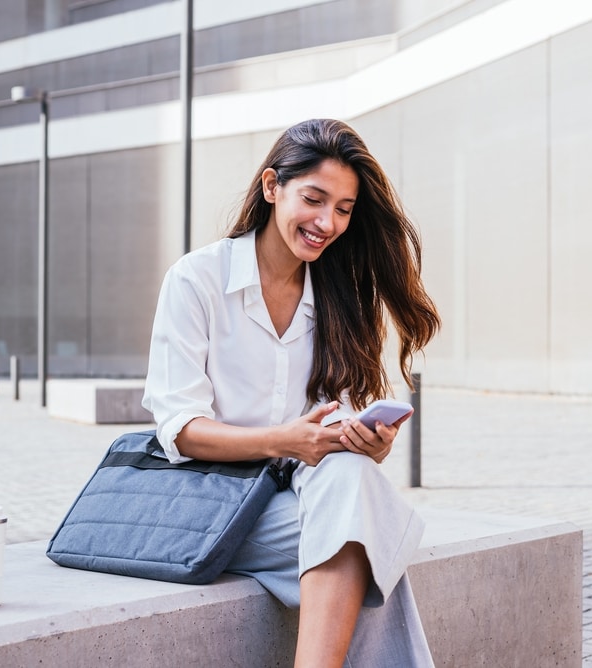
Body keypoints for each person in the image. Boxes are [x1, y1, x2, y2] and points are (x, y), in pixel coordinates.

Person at [142, 118, 441, 667]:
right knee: (369, 535)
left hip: (298, 503)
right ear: (272, 187)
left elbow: (334, 425)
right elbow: (180, 430)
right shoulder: (196, 281)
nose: (327, 222)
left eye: (344, 209)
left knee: (354, 488)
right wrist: (286, 440)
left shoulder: (338, 297)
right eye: (314, 198)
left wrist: (364, 441)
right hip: (210, 507)